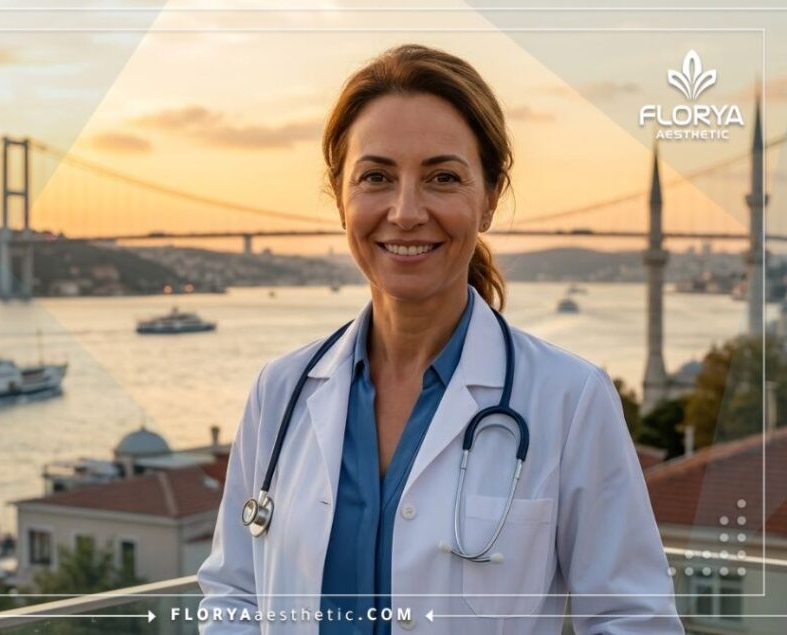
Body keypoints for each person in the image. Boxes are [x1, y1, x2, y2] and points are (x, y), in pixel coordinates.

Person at [197, 44, 682, 634]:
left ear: (489, 199)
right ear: (339, 195)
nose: (405, 211)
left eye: (442, 178)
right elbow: (232, 592)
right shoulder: (280, 391)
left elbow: (633, 618)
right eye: (376, 176)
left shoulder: (569, 399)